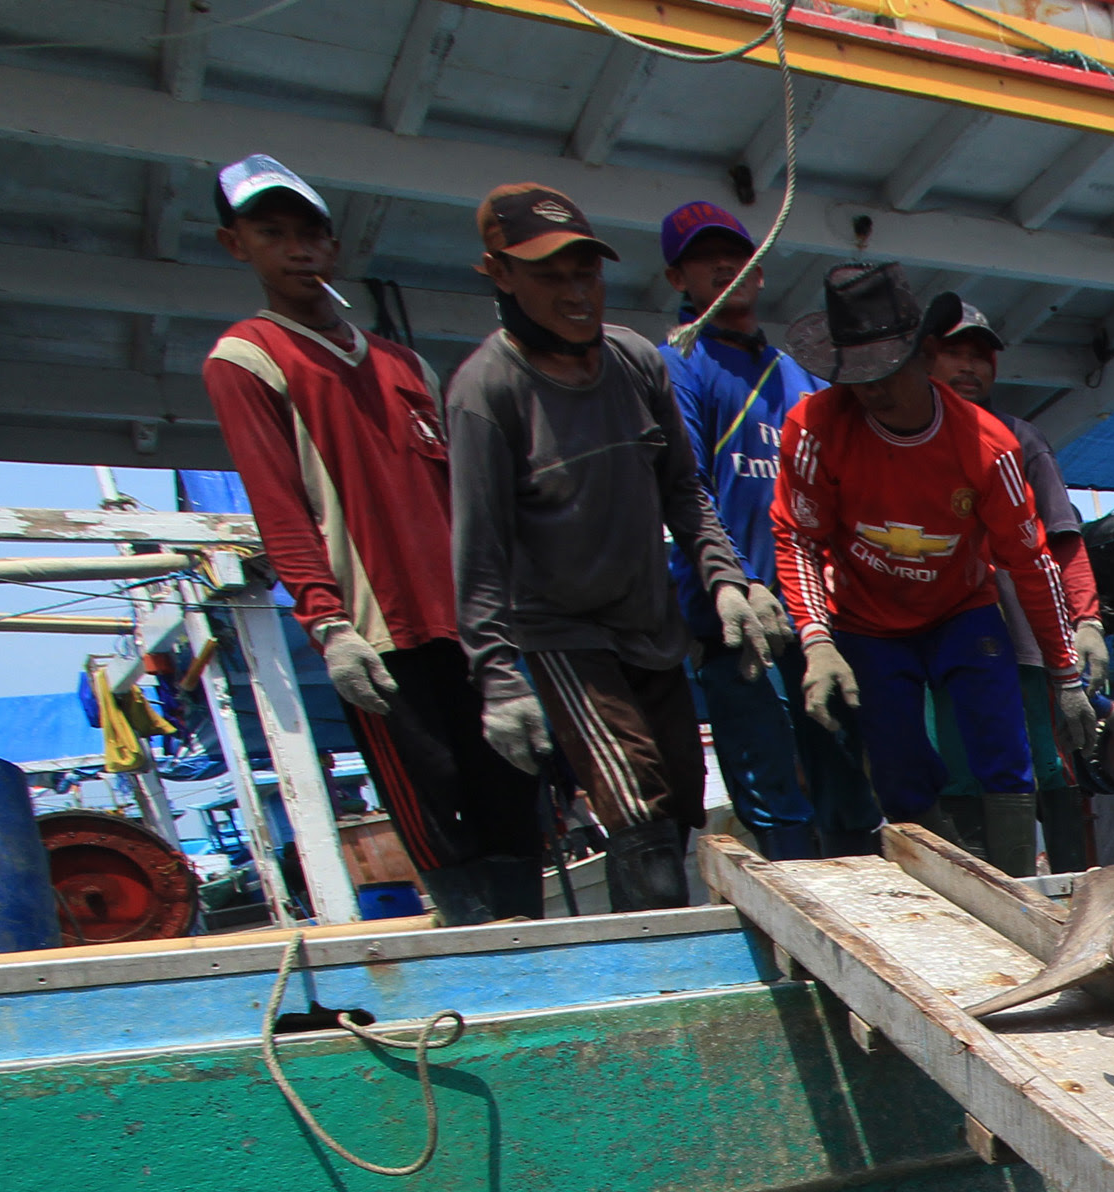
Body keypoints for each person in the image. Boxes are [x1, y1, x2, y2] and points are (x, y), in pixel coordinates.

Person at [199, 153, 543, 924]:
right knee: (436, 813)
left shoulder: (403, 364)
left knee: (516, 800)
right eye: (271, 232)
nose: (296, 249)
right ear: (236, 245)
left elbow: (465, 499)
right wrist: (326, 623)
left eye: (309, 233)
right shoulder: (247, 358)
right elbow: (278, 505)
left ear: (333, 246)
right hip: (377, 634)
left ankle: (543, 948)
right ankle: (475, 966)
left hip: (471, 630)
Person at [447, 181, 775, 910]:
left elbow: (685, 494)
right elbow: (478, 553)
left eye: (584, 273)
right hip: (566, 634)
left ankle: (661, 935)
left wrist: (726, 581)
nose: (575, 294)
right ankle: (664, 987)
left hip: (651, 625)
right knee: (637, 806)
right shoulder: (486, 390)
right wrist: (498, 677)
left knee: (684, 802)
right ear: (500, 274)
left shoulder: (635, 362)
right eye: (548, 275)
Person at [770, 263, 1092, 875]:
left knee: (1003, 747)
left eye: (887, 373)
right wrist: (817, 641)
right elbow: (797, 538)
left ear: (924, 356)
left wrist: (1066, 674)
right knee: (897, 767)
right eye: (858, 377)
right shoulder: (813, 428)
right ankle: (940, 879)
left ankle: (1019, 881)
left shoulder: (989, 448)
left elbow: (1030, 563)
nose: (874, 391)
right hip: (865, 623)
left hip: (961, 610)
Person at [656, 200, 882, 862]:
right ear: (677, 278)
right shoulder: (680, 363)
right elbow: (686, 489)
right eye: (706, 256)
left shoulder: (800, 375)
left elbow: (841, 493)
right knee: (774, 795)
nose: (730, 265)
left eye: (739, 251)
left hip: (817, 626)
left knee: (850, 793)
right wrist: (740, 583)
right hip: (739, 627)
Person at [918, 293, 1108, 874]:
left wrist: (1088, 621)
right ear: (927, 358)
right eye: (955, 353)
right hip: (938, 641)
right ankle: (975, 901)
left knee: (1051, 763)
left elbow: (1063, 538)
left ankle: (1071, 895)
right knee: (952, 765)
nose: (970, 366)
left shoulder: (1021, 439)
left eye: (981, 355)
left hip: (1027, 642)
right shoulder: (906, 442)